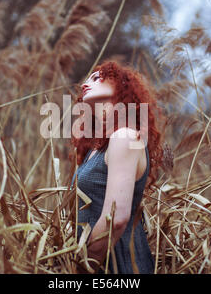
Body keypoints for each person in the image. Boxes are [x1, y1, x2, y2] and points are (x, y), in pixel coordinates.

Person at [70, 60, 164, 274]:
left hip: (122, 266)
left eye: (98, 77)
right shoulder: (96, 148)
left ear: (121, 86)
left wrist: (87, 264)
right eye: (88, 77)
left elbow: (117, 218)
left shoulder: (125, 137)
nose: (88, 81)